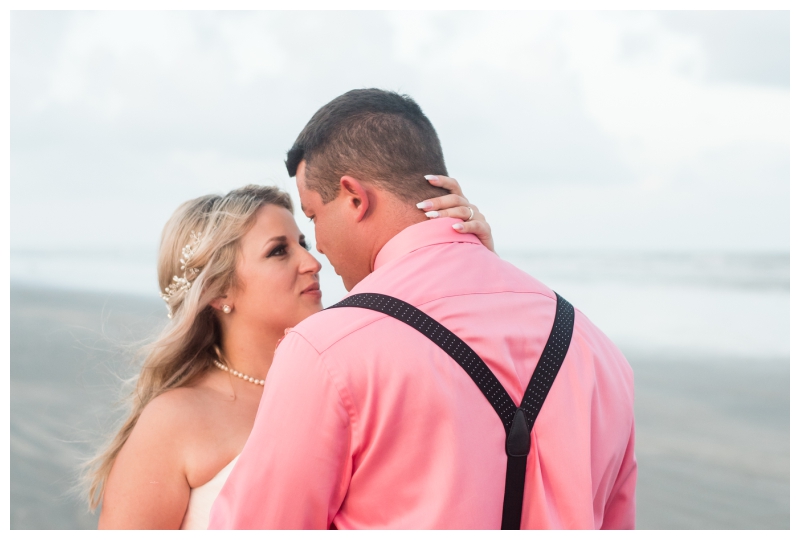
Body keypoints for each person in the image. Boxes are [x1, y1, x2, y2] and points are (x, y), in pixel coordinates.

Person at [209, 88, 637, 530]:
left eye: (314, 216)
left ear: (355, 197)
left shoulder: (328, 350)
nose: (317, 246)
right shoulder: (597, 350)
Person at [86, 179, 492, 529]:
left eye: (302, 242)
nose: (312, 261)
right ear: (219, 291)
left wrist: (472, 257)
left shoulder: (348, 381)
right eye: (279, 251)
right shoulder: (175, 421)